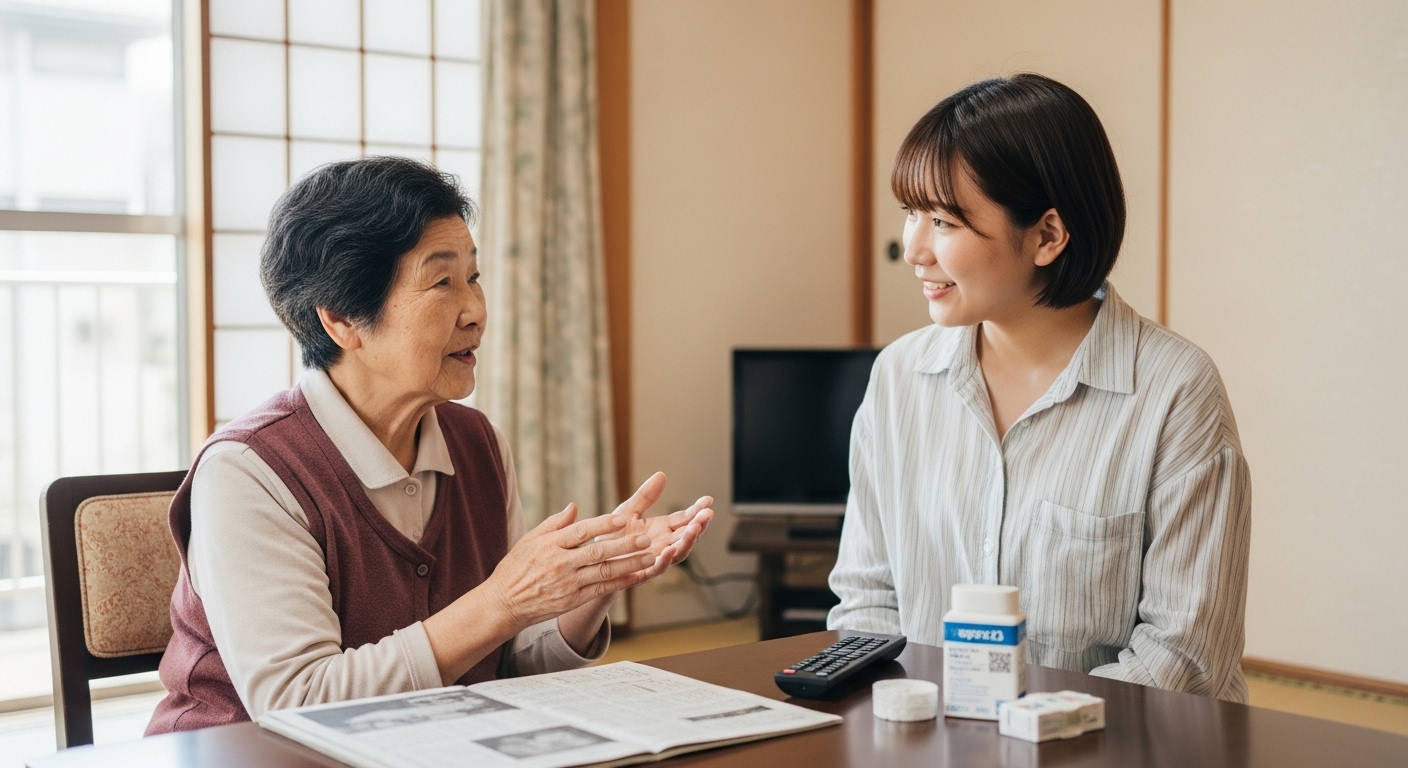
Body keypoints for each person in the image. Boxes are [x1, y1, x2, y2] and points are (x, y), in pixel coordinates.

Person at [147, 157, 713, 733]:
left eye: (474, 277)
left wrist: (596, 581)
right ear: (341, 319)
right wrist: (502, 601)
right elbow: (299, 700)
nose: (477, 311)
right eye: (442, 283)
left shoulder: (478, 443)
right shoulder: (248, 472)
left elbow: (507, 661)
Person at [827, 74, 1252, 702]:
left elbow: (1183, 656)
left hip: (1114, 742)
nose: (914, 248)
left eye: (942, 220)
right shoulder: (899, 377)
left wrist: (1028, 732)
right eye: (910, 214)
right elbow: (867, 600)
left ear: (1048, 235)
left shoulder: (1174, 390)